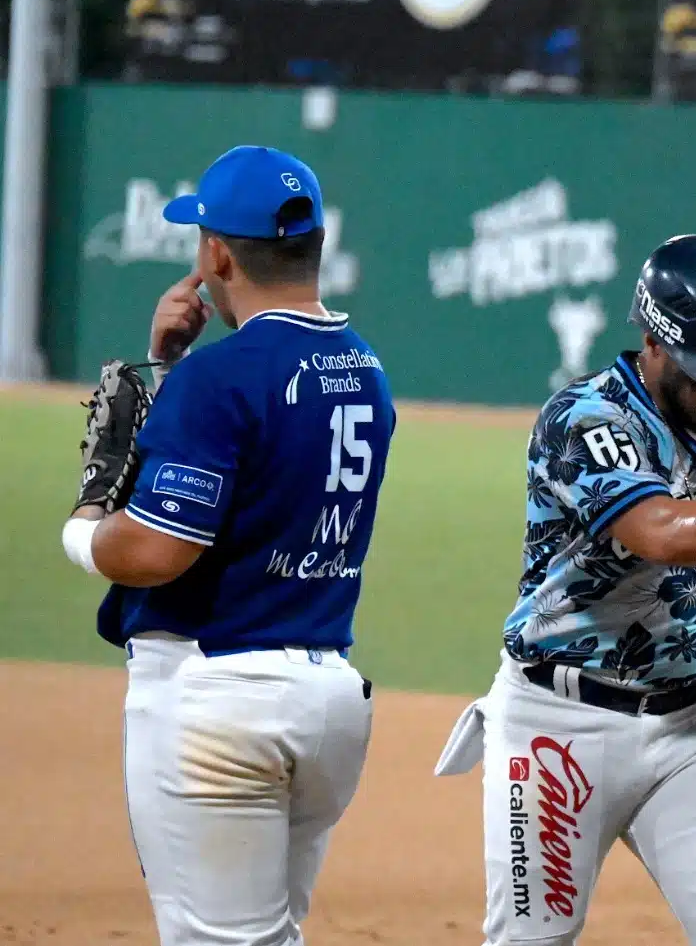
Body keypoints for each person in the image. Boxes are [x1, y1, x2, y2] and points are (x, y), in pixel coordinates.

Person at [435, 233, 696, 946]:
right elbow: (664, 531)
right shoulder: (586, 420)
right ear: (653, 341)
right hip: (557, 723)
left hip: (693, 726)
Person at [61, 145, 395, 946]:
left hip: (220, 700)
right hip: (327, 701)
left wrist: (81, 524)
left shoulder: (226, 377)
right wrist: (173, 369)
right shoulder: (364, 367)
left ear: (216, 253)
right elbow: (261, 458)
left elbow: (153, 551)